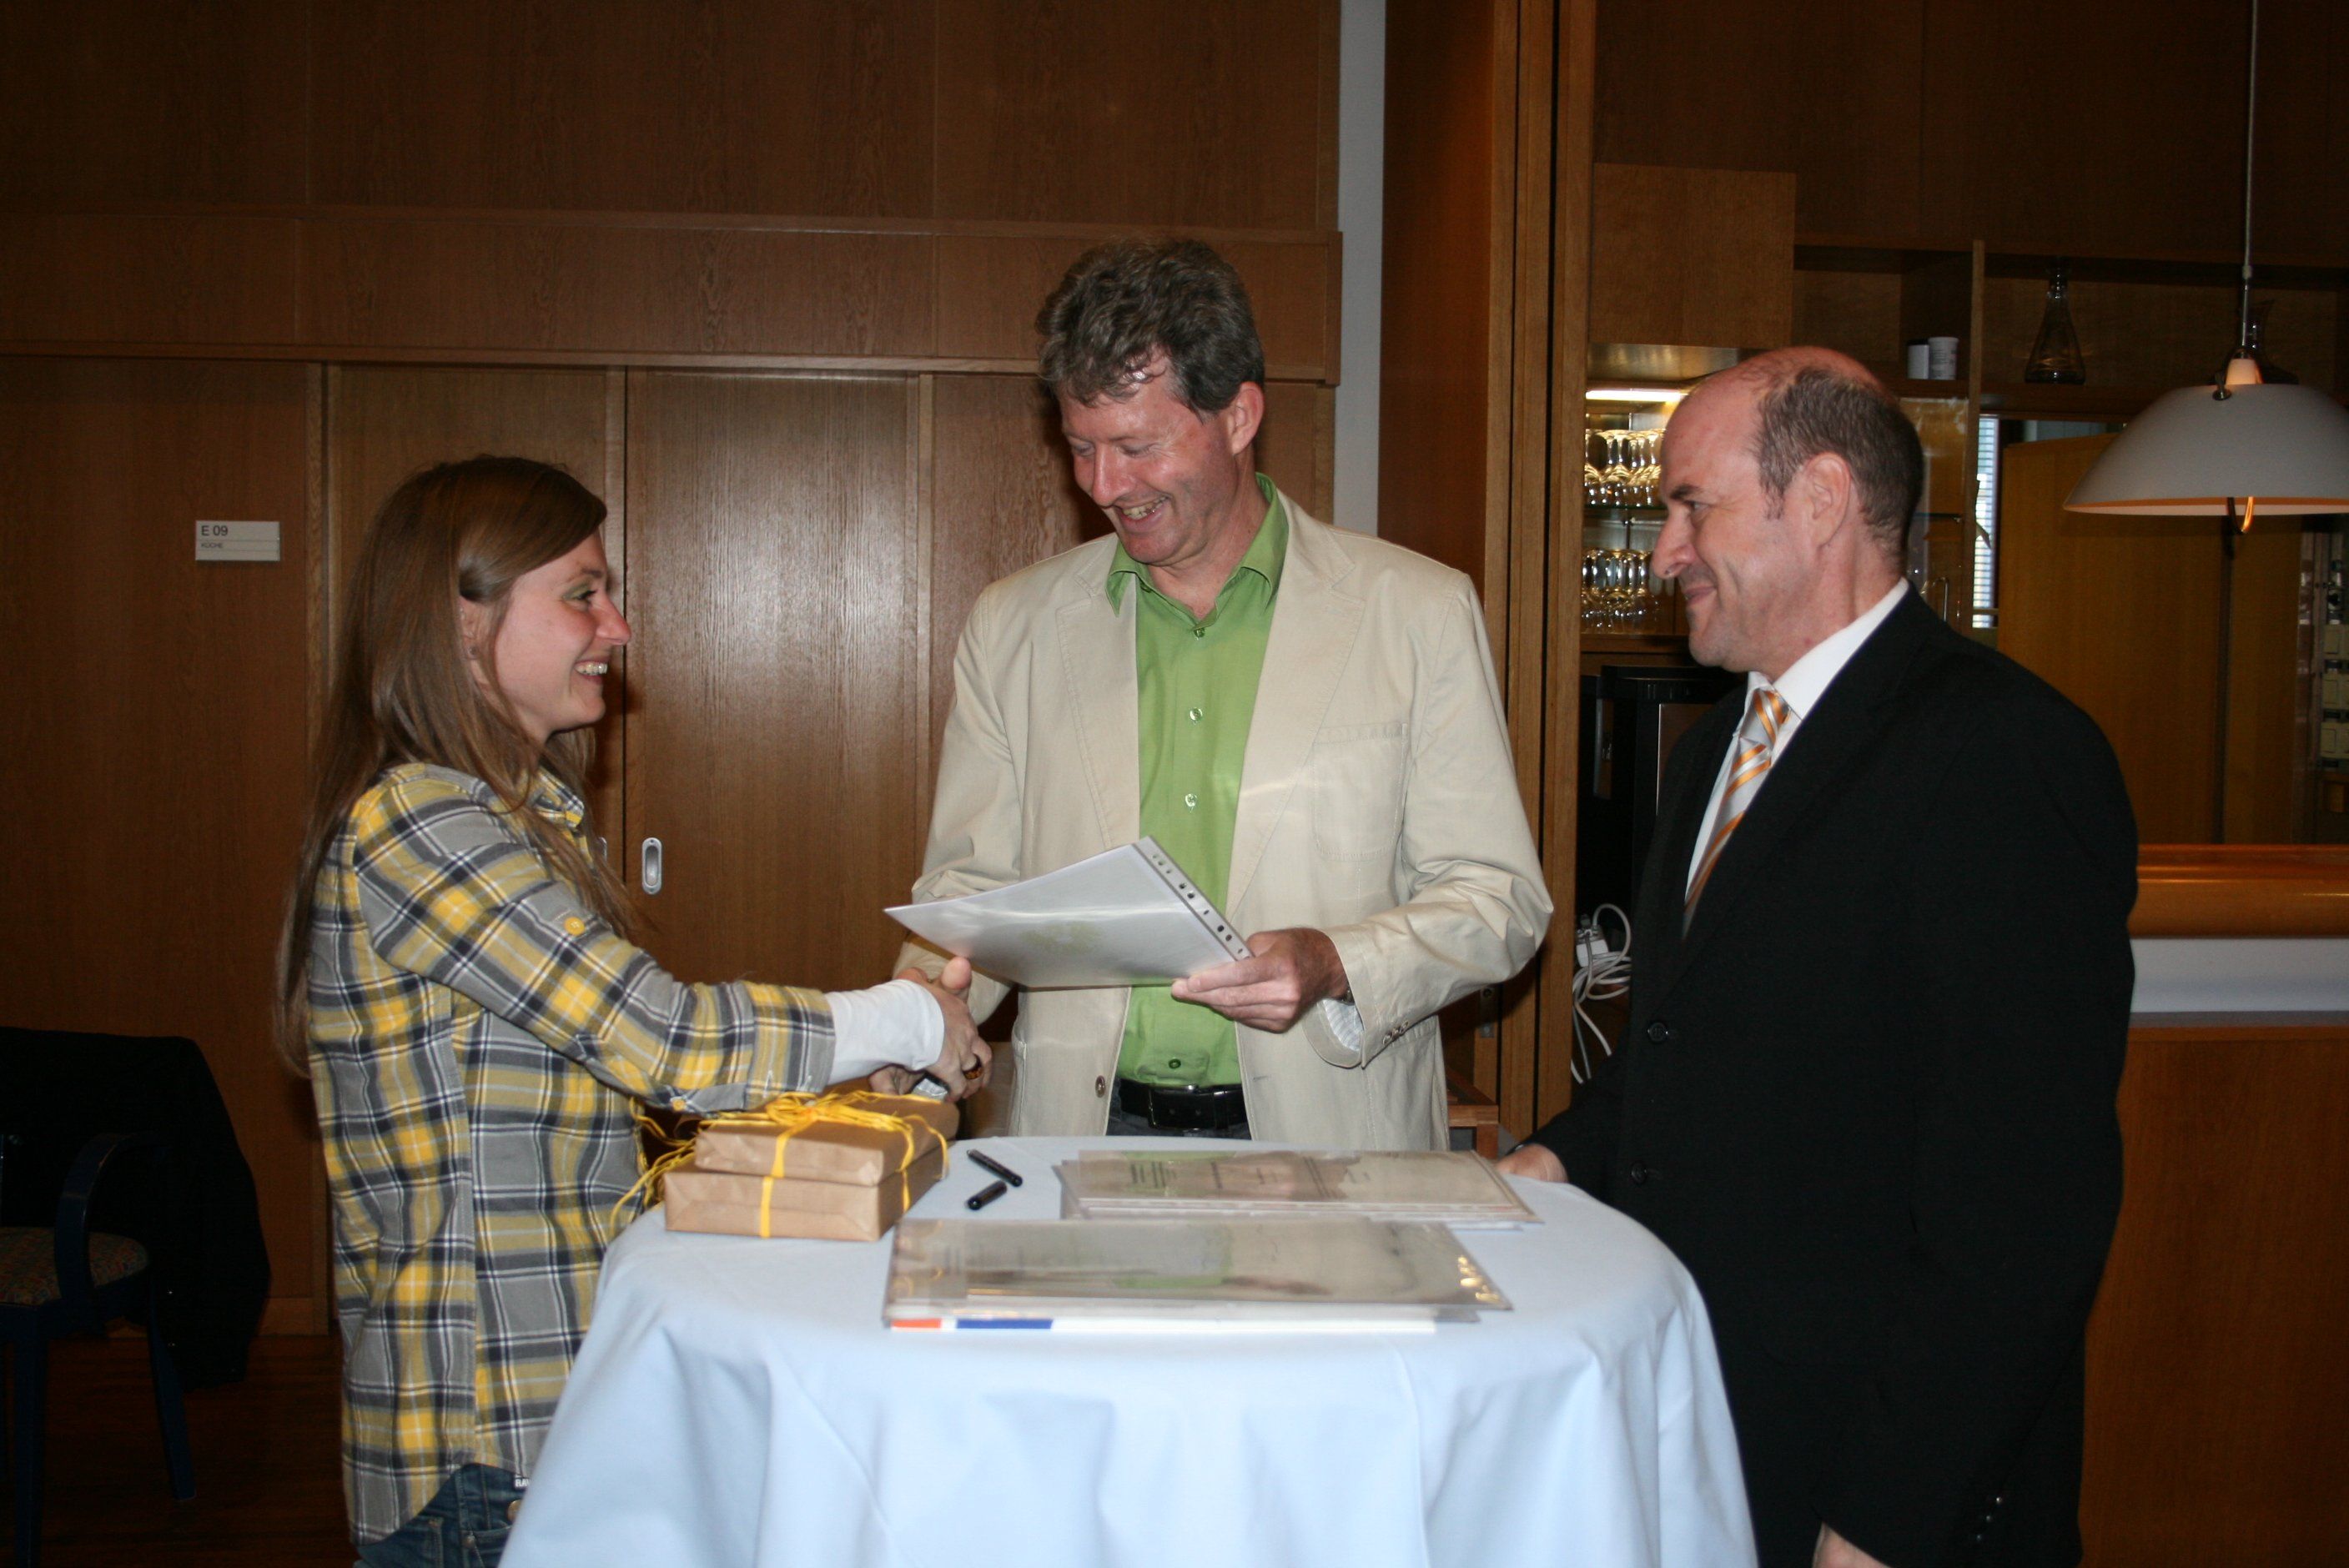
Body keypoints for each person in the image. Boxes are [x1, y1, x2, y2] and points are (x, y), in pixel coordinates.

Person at [276, 456, 988, 1565]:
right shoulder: (420, 825)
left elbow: (624, 1087)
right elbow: (668, 1041)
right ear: (462, 623)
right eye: (582, 594)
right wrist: (904, 1018)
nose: (615, 626)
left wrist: (847, 1071)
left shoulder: (510, 820)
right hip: (482, 1438)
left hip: (545, 1417)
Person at [1501, 349, 2136, 1568]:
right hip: (1717, 1437)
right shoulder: (1713, 752)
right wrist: (1544, 1165)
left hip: (1878, 1485)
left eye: (1693, 506)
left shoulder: (2002, 754)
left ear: (1823, 499)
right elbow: (1682, 1056)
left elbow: (2020, 1214)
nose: (1665, 551)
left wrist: (1883, 1522)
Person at [895, 239, 1549, 1147]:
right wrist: (915, 1010)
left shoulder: (1416, 613)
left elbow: (1495, 900)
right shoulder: (1014, 626)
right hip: (1081, 1133)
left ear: (1239, 416)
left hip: (1331, 1135)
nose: (1104, 485)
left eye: (1137, 446)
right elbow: (973, 890)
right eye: (1081, 447)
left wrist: (1335, 961)